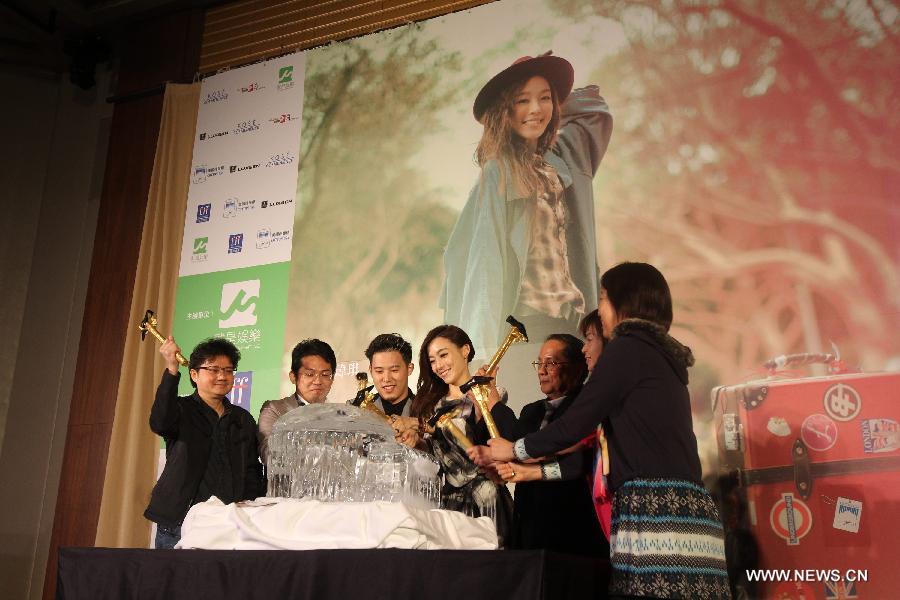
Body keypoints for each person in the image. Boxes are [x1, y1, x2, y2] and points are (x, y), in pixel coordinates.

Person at [476, 263, 730, 598]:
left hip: (653, 506)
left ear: (624, 303)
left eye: (605, 299)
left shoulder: (628, 348)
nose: (601, 310)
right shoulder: (659, 356)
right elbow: (584, 449)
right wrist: (528, 472)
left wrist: (513, 449)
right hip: (686, 507)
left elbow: (575, 424)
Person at [441, 52, 613, 352]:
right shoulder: (498, 171)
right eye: (522, 100)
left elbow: (596, 110)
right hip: (526, 331)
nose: (535, 109)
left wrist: (553, 88)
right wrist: (479, 353)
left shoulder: (564, 158)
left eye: (545, 98)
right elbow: (485, 263)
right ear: (504, 109)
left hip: (574, 326)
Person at [145, 336, 265, 549]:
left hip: (229, 523)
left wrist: (252, 508)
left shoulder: (242, 418)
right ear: (194, 374)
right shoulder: (181, 409)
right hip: (180, 522)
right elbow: (160, 422)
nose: (222, 376)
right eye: (214, 369)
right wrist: (172, 369)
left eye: (228, 370)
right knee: (174, 580)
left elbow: (251, 469)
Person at [409, 324, 517, 544]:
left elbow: (504, 442)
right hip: (445, 504)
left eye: (443, 355)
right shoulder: (430, 406)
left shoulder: (491, 395)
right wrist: (416, 442)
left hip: (486, 499)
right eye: (432, 361)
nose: (439, 365)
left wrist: (485, 400)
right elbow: (432, 459)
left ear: (465, 350)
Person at [503, 333, 607, 556]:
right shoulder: (531, 411)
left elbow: (574, 458)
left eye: (551, 363)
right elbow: (514, 453)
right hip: (529, 529)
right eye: (539, 363)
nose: (541, 370)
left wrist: (521, 461)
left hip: (573, 529)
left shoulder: (585, 409)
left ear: (578, 367)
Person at [257, 339, 336, 464]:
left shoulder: (340, 416)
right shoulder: (274, 410)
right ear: (293, 377)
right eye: (310, 374)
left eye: (325, 375)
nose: (318, 381)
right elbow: (269, 455)